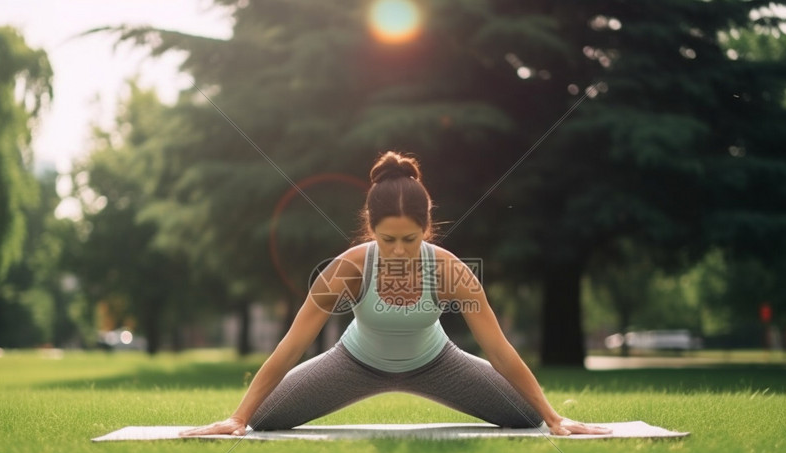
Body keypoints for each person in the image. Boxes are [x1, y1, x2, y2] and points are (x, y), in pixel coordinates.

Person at [182, 151, 609, 437]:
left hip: (438, 363)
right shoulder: (348, 269)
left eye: (411, 238)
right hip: (354, 363)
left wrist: (554, 418)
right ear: (371, 226)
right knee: (265, 419)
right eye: (388, 239)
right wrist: (238, 417)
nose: (400, 250)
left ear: (427, 228)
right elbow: (293, 344)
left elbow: (497, 348)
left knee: (525, 416)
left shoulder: (449, 270)